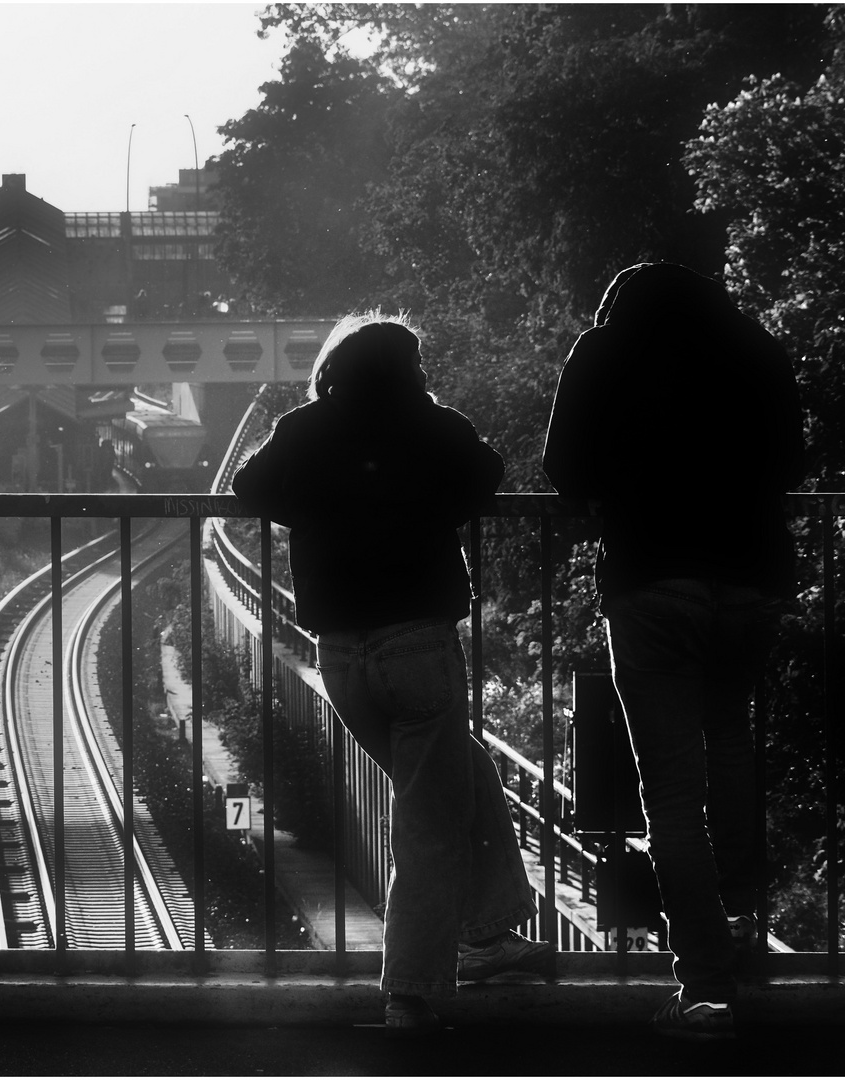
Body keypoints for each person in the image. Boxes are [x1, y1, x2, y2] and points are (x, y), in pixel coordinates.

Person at [233, 313, 550, 1036]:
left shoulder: (304, 427)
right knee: (428, 820)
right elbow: (487, 479)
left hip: (340, 655)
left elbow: (253, 490)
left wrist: (316, 510)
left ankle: (491, 929)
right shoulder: (432, 426)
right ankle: (413, 988)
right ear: (411, 370)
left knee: (463, 776)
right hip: (417, 646)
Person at [543, 262, 806, 1041]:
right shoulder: (755, 346)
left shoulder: (602, 351)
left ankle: (705, 985)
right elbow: (792, 462)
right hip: (751, 580)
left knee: (669, 793)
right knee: (729, 747)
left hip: (650, 580)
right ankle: (741, 924)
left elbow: (563, 467)